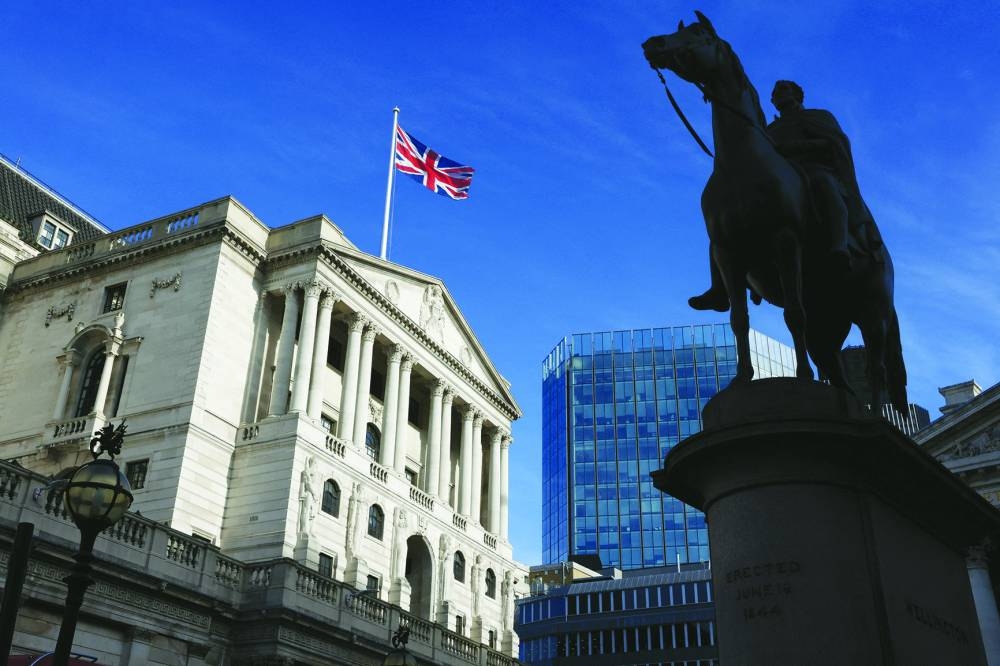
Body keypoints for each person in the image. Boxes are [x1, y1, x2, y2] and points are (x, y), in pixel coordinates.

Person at [689, 80, 882, 312]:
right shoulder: (769, 130)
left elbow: (834, 143)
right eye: (774, 93)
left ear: (797, 95)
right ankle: (721, 288)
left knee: (825, 186)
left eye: (783, 90)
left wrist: (796, 148)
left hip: (812, 169)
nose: (777, 95)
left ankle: (838, 245)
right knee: (725, 224)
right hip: (780, 182)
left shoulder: (818, 116)